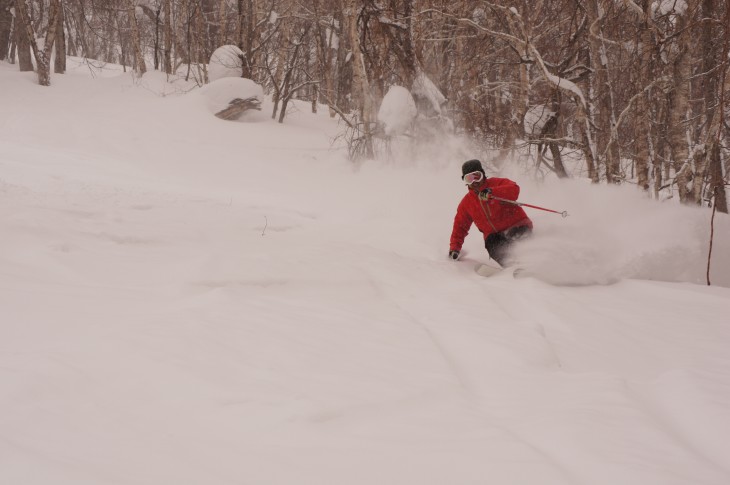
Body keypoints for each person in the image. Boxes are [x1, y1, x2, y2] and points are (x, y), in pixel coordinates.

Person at [448, 159, 533, 266]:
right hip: (495, 236)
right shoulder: (467, 203)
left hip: (518, 225)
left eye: (476, 176)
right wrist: (454, 248)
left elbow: (514, 189)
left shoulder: (496, 183)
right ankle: (511, 265)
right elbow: (459, 227)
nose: (474, 182)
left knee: (516, 240)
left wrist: (492, 192)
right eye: (469, 178)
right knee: (491, 243)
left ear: (482, 174)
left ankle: (529, 262)